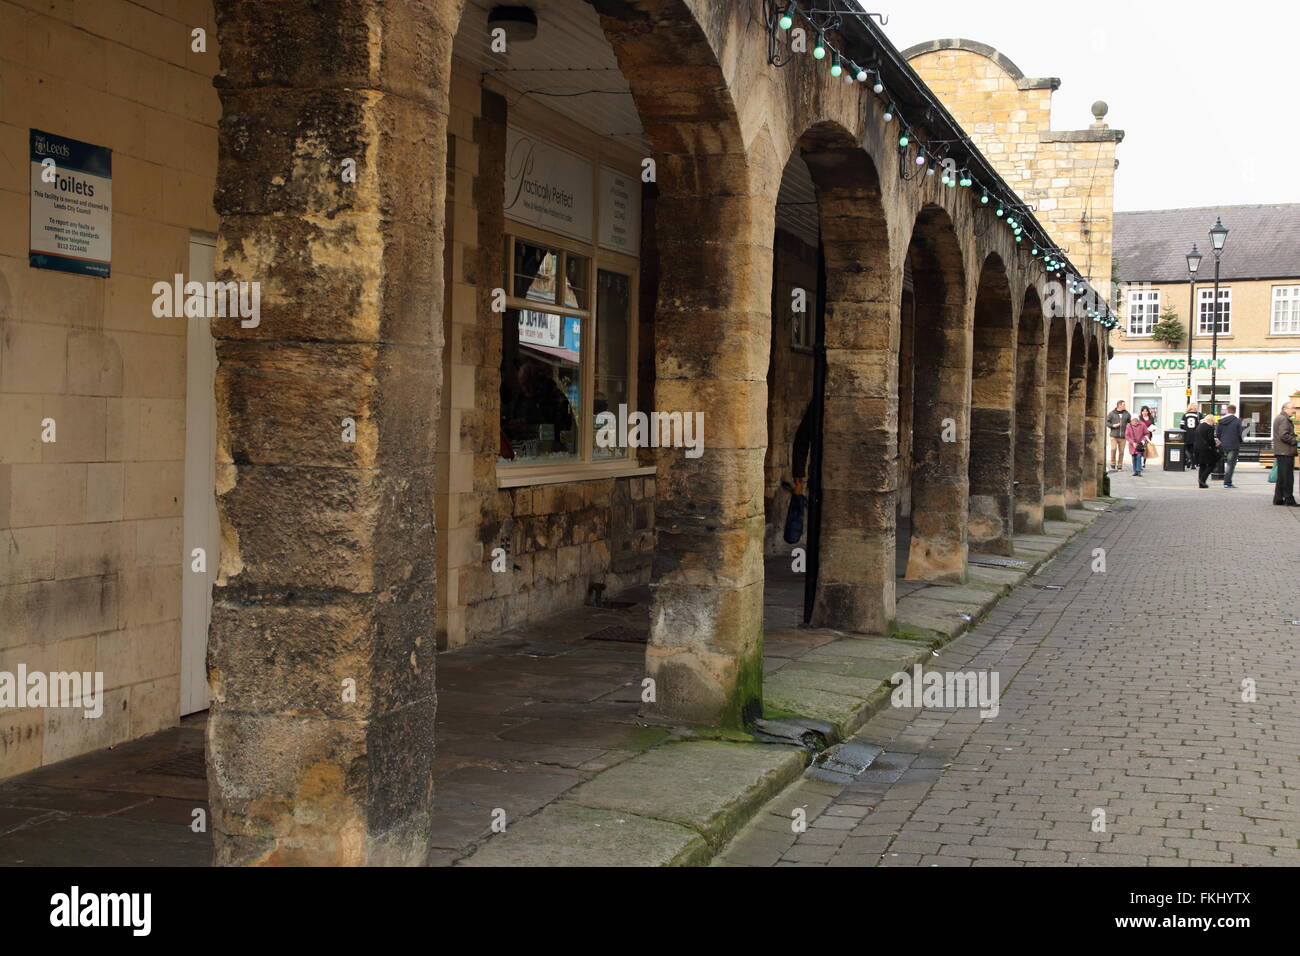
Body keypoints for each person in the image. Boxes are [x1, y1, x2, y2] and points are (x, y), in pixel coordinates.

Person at [1272, 401, 1298, 506]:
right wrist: (1295, 440)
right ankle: (1289, 499)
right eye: (1292, 408)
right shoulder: (1284, 419)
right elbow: (1284, 435)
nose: (1294, 410)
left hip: (1282, 451)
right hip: (1285, 451)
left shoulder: (1280, 418)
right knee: (1287, 477)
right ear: (1285, 409)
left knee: (1282, 477)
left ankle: (1278, 499)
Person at [1214, 404, 1245, 489]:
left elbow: (1217, 433)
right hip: (1233, 444)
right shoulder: (1238, 421)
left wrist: (1222, 440)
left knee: (1223, 463)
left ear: (1227, 410)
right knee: (1230, 464)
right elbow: (1241, 434)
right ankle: (1227, 482)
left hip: (1223, 445)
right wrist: (1239, 441)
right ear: (1235, 411)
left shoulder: (1220, 421)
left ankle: (1226, 481)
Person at [1193, 414, 1220, 488]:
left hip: (1197, 449)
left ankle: (1201, 484)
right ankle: (1202, 479)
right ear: (1211, 420)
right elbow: (1210, 439)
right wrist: (1215, 444)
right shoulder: (1209, 428)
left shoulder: (1199, 426)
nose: (1214, 423)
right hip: (1206, 449)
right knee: (1212, 464)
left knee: (1202, 465)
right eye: (1213, 422)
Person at [1125, 410, 1152, 477]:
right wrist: (1132, 442)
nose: (1135, 423)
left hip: (1140, 444)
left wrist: (1143, 441)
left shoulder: (1142, 424)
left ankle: (1139, 470)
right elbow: (1127, 436)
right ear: (1131, 421)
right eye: (1133, 421)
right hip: (1132, 445)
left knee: (1139, 456)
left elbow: (1147, 433)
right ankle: (1135, 471)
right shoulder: (1128, 426)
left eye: (1136, 421)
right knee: (1134, 457)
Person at [1106, 400, 1131, 472]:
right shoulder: (1112, 413)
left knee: (1121, 451)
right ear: (1119, 405)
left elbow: (1129, 424)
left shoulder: (1127, 414)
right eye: (1123, 405)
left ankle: (1120, 465)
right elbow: (1107, 422)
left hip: (1123, 436)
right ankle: (1112, 463)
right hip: (1114, 435)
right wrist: (1113, 425)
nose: (1124, 406)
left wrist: (1128, 431)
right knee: (1113, 449)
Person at [1181, 403, 1202, 470]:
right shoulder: (1198, 415)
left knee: (1186, 448)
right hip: (1195, 435)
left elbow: (1181, 426)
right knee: (1194, 450)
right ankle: (1193, 463)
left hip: (1186, 434)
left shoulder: (1185, 415)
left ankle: (1189, 459)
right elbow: (1201, 425)